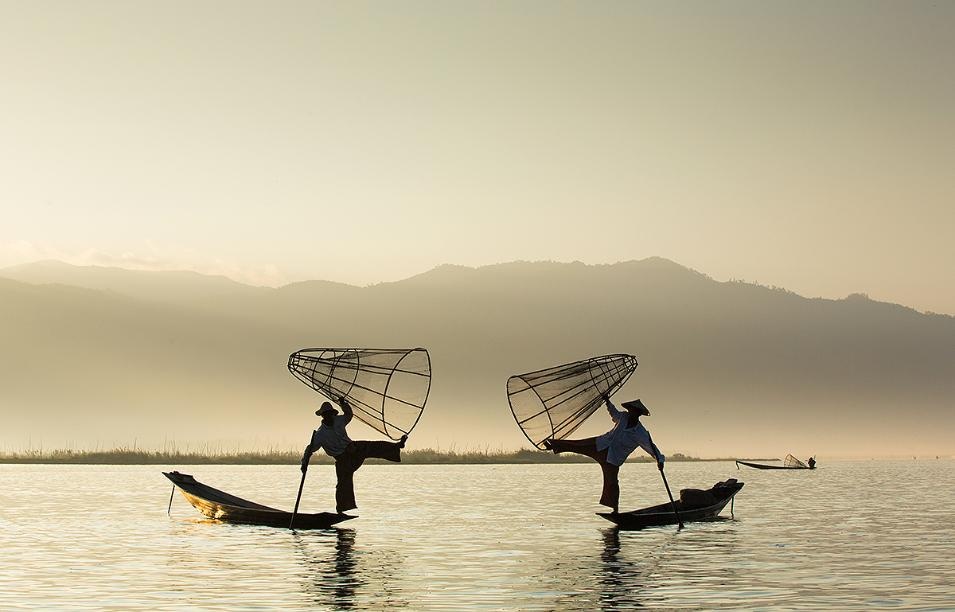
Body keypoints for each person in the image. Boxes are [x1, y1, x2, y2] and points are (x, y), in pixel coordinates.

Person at [543, 397, 664, 514]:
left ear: (638, 414)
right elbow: (614, 414)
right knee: (578, 445)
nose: (631, 412)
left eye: (634, 411)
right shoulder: (623, 417)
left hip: (613, 458)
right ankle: (553, 445)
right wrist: (607, 402)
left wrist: (659, 460)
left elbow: (650, 446)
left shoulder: (640, 432)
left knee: (612, 482)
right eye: (630, 410)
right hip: (602, 444)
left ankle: (615, 510)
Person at [301, 397, 407, 514]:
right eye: (326, 415)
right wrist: (304, 463)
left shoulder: (338, 420)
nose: (329, 417)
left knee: (373, 446)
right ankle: (341, 510)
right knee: (343, 484)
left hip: (353, 449)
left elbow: (349, 414)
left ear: (333, 414)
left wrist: (343, 404)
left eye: (330, 414)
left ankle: (397, 446)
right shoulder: (320, 434)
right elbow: (309, 449)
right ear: (323, 416)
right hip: (343, 460)